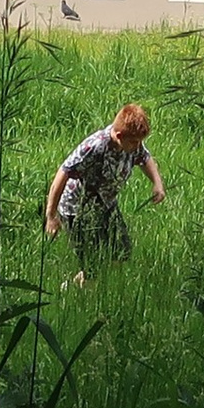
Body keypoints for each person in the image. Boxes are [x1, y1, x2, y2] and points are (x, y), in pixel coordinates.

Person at [45, 103, 165, 280]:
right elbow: (63, 173)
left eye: (140, 141)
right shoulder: (95, 147)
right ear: (118, 136)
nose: (137, 146)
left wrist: (157, 184)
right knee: (91, 265)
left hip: (106, 204)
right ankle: (77, 290)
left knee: (122, 253)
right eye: (134, 142)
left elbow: (145, 158)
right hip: (77, 209)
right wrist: (51, 216)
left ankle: (90, 282)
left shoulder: (133, 143)